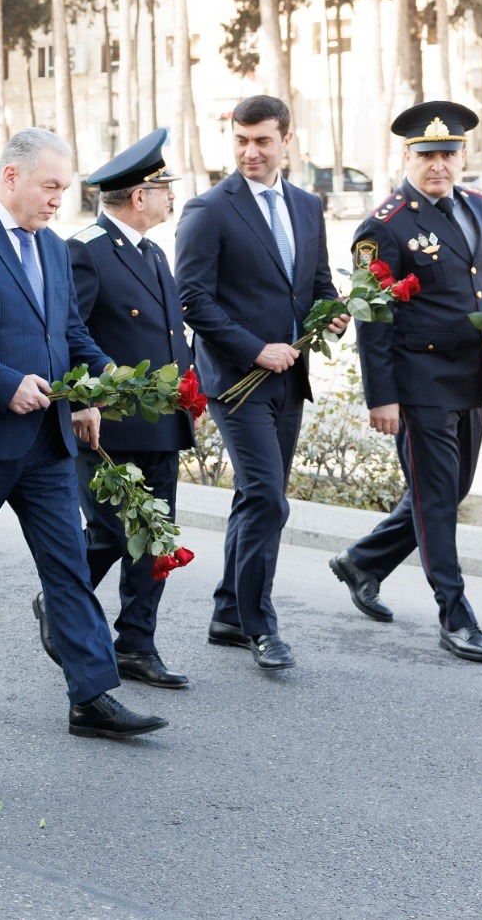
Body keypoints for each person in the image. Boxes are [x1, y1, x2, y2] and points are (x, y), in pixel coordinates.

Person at [0, 127, 167, 739]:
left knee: (67, 570)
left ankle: (92, 695)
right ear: (10, 177)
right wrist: (4, 382)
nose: (60, 199)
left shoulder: (54, 247)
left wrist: (107, 375)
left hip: (47, 443)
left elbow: (69, 334)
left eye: (64, 188)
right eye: (50, 186)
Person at [175, 95, 349, 672]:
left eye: (262, 141)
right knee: (270, 499)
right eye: (242, 141)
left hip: (290, 380)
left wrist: (333, 313)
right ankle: (259, 623)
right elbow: (192, 299)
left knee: (257, 498)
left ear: (286, 141)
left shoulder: (306, 205)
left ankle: (228, 610)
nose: (250, 152)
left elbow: (317, 283)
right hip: (234, 381)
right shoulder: (209, 209)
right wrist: (253, 348)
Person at [328, 102, 482, 665]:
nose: (438, 165)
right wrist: (382, 396)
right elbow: (372, 314)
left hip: (469, 375)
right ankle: (455, 615)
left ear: (462, 156)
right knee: (437, 502)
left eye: (448, 154)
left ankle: (364, 562)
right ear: (406, 156)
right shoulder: (384, 224)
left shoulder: (478, 206)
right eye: (426, 155)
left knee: (447, 493)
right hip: (420, 381)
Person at [55, 128, 195, 688]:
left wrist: (187, 398)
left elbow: (166, 335)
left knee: (153, 539)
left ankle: (136, 643)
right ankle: (60, 600)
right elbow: (68, 334)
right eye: (164, 188)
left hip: (160, 421)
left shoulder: (153, 250)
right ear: (140, 196)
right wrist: (81, 403)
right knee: (112, 533)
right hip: (110, 425)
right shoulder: (85, 251)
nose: (170, 197)